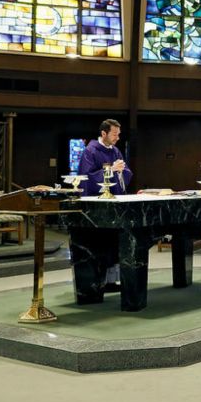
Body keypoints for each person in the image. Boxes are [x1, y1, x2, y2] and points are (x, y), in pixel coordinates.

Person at [77, 119, 133, 291]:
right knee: (100, 245)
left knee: (115, 243)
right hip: (97, 207)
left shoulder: (115, 150)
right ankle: (98, 282)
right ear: (104, 133)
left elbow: (126, 173)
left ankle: (112, 280)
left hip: (114, 203)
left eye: (119, 134)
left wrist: (122, 170)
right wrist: (111, 170)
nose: (117, 138)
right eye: (114, 134)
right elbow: (86, 178)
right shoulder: (90, 151)